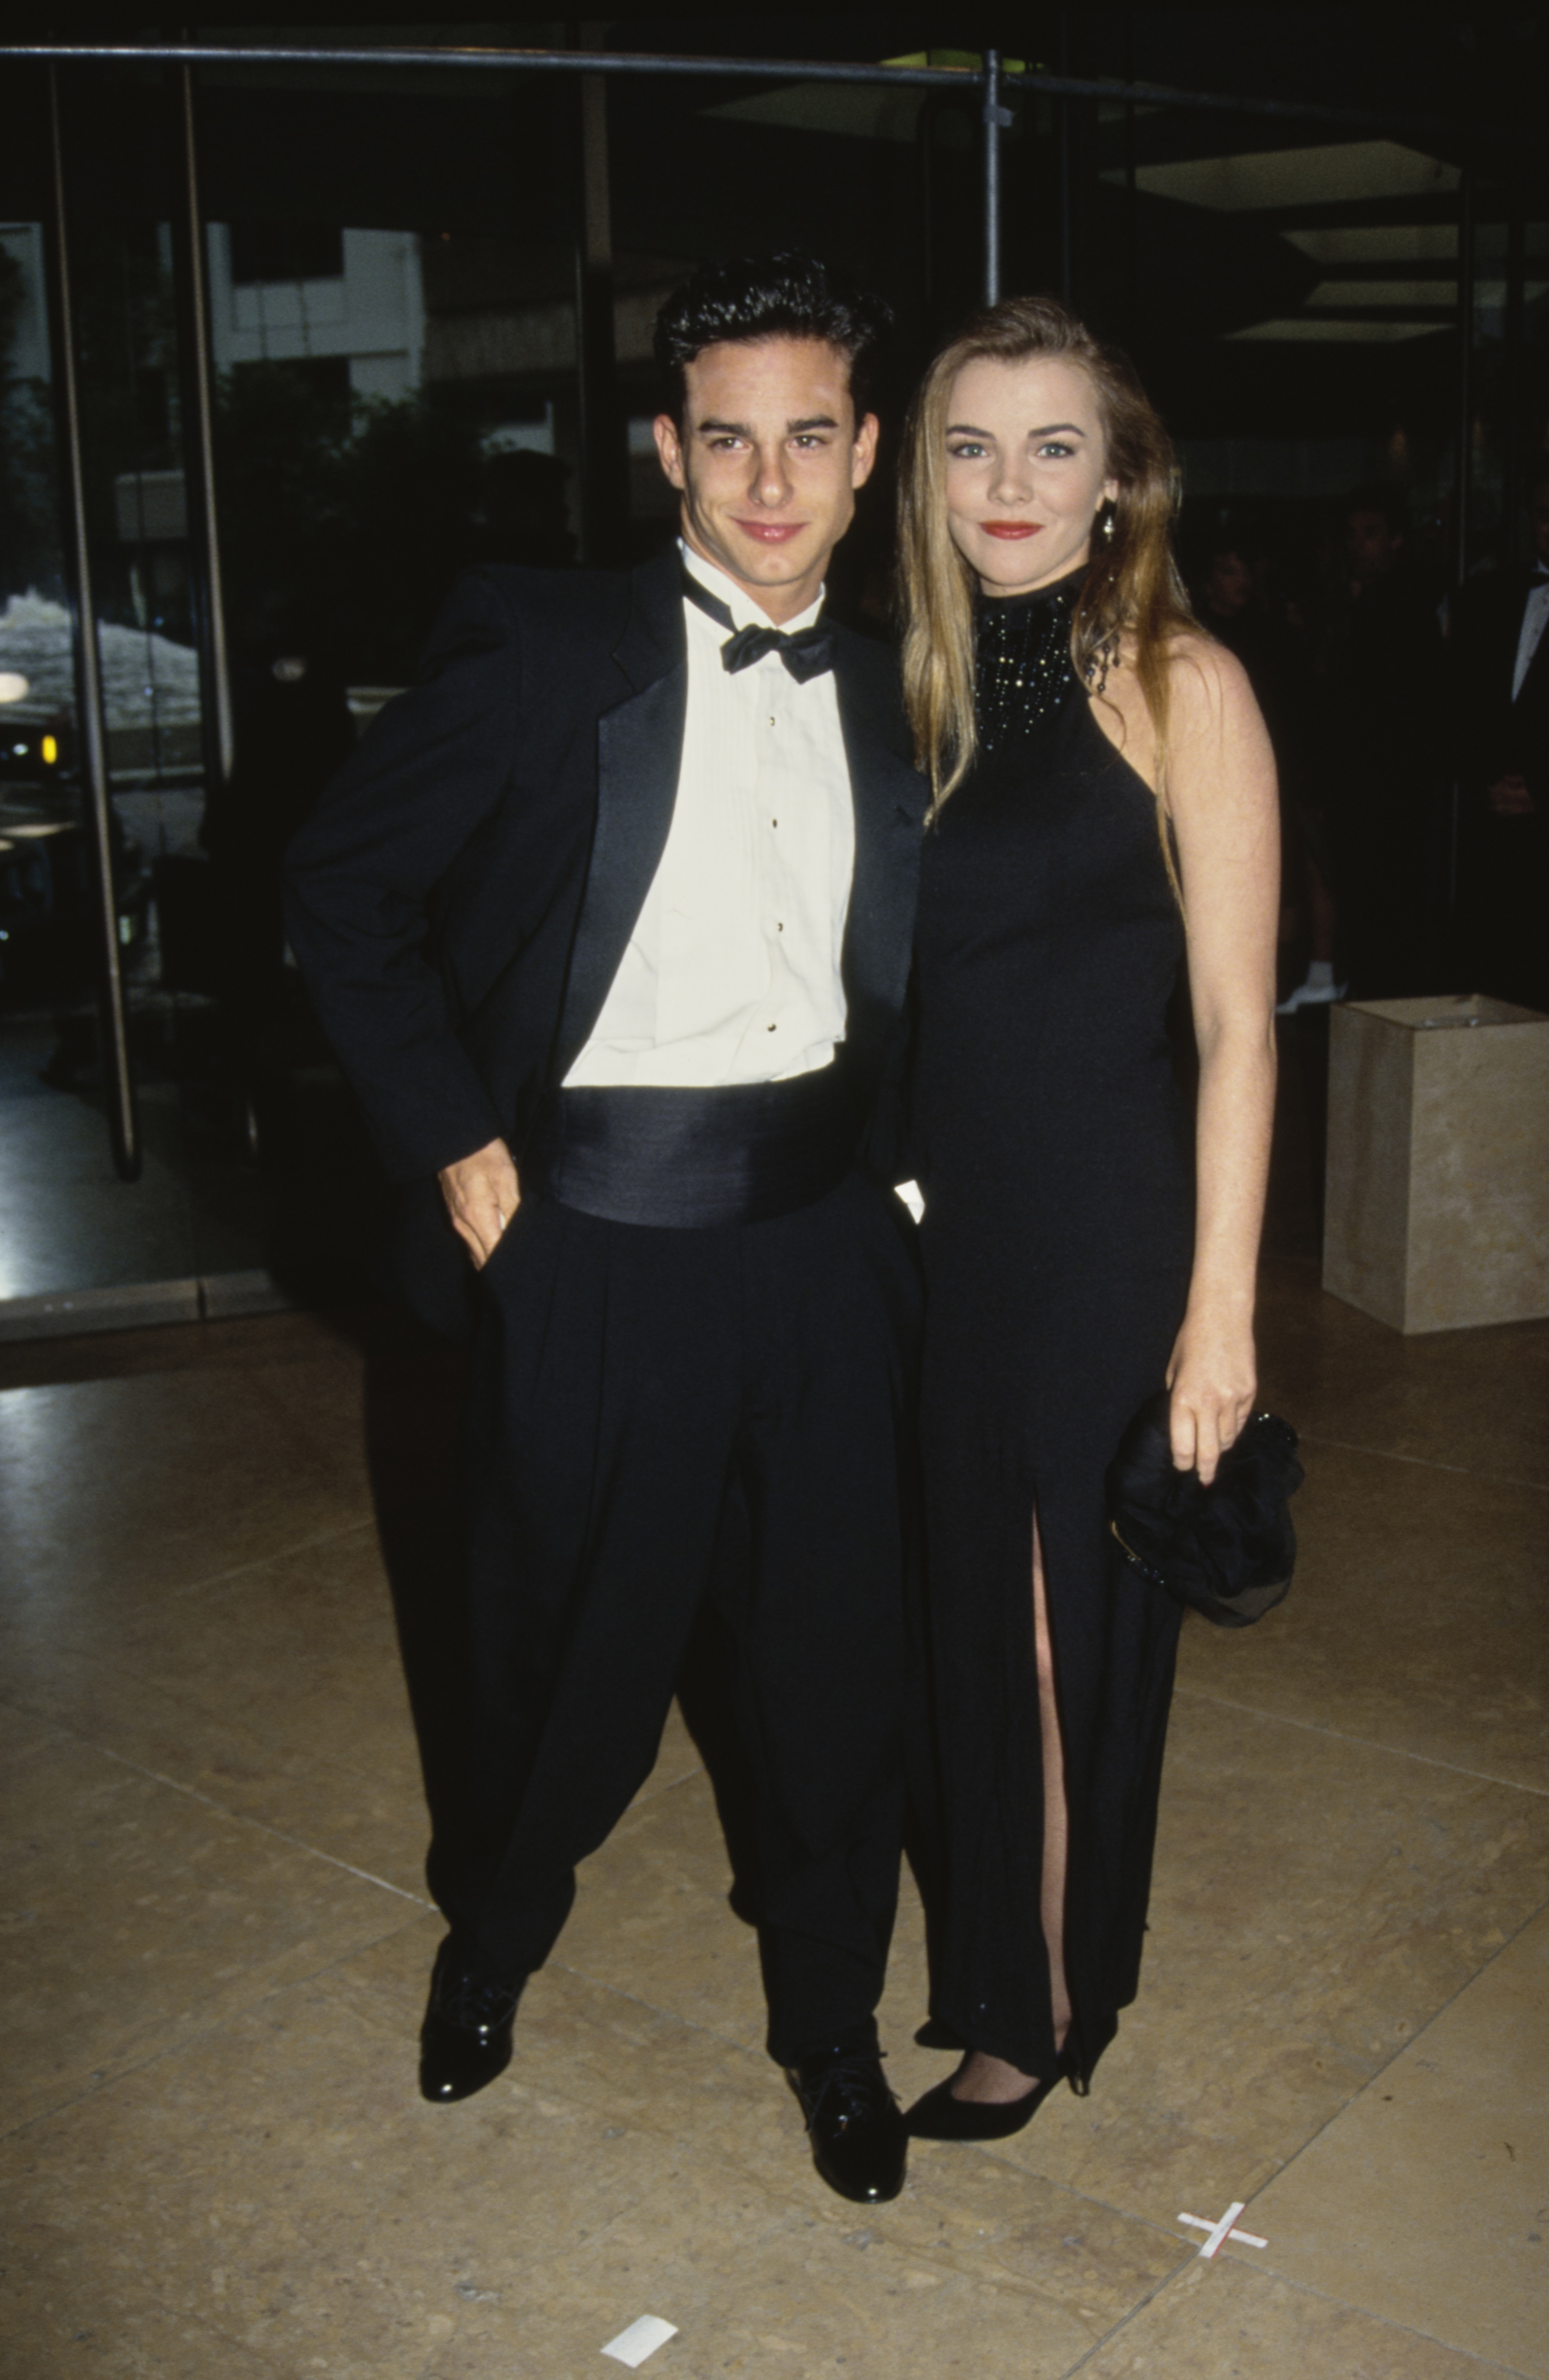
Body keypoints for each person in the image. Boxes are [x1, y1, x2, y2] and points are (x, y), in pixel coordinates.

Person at [282, 253, 930, 2206]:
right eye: (722, 438)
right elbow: (341, 887)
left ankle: (829, 2025)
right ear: (665, 448)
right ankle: (491, 1944)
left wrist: (905, 1181)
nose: (764, 482)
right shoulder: (547, 644)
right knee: (556, 1649)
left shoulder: (917, 668)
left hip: (823, 1243)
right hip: (589, 1241)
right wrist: (467, 1159)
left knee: (830, 1662)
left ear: (864, 451)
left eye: (804, 437)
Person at [894, 294, 1278, 2134]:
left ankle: (1042, 2003)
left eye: (1055, 444)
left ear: (1124, 472)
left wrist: (1220, 1312)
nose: (1010, 482)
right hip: (940, 1239)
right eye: (972, 444)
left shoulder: (1180, 681)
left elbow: (1233, 1023)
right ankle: (993, 1954)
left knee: (1064, 1629)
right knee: (965, 1619)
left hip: (1105, 1230)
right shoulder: (918, 680)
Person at [1317, 484, 1445, 997]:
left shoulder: (1404, 605)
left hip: (1388, 795)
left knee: (1386, 920)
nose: (1358, 545)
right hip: (1365, 792)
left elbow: (1401, 710)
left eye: (1370, 534)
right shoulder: (1362, 602)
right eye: (1351, 535)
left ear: (1395, 540)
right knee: (1367, 917)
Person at [1449, 473, 1549, 1012]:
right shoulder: (1495, 595)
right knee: (1498, 988)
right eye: (1542, 513)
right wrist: (1487, 779)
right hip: (1494, 829)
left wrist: (1540, 793)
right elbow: (1468, 702)